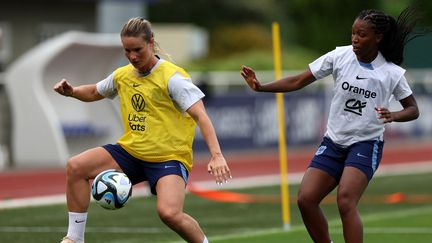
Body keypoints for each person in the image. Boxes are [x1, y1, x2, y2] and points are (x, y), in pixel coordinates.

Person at [241, 6, 425, 243]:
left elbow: (413, 109)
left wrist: (394, 115)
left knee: (346, 200)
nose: (355, 40)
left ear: (378, 37)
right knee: (305, 200)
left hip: (366, 144)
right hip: (334, 141)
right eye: (353, 33)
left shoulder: (391, 73)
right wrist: (261, 86)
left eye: (362, 34)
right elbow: (298, 80)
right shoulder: (339, 56)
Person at [54, 17, 232, 243]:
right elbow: (94, 92)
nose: (132, 56)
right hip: (131, 152)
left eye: (137, 49)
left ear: (151, 43)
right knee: (76, 166)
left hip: (169, 157)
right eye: (127, 51)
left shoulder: (173, 78)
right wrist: (72, 91)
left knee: (169, 214)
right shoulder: (122, 75)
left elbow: (201, 116)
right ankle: (74, 239)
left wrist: (217, 156)